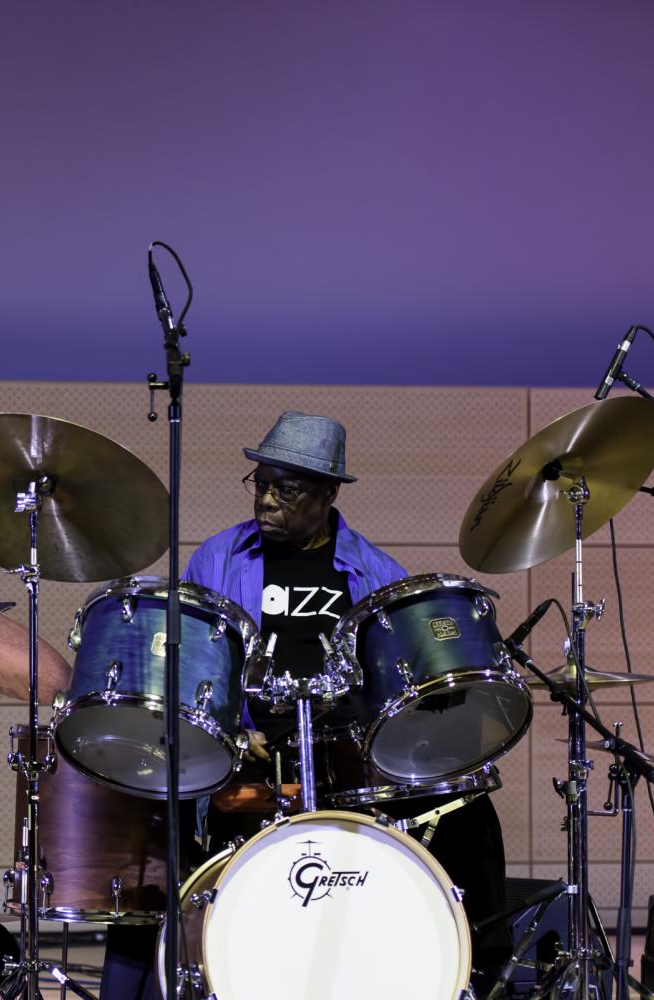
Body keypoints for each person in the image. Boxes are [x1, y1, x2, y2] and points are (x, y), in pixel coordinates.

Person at [100, 411, 507, 998]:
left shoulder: (376, 574)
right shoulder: (217, 560)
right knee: (146, 823)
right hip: (247, 757)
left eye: (285, 488)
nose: (266, 500)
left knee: (469, 805)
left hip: (344, 760)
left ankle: (467, 972)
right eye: (260, 483)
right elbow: (188, 676)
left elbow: (405, 689)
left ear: (328, 493)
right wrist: (232, 737)